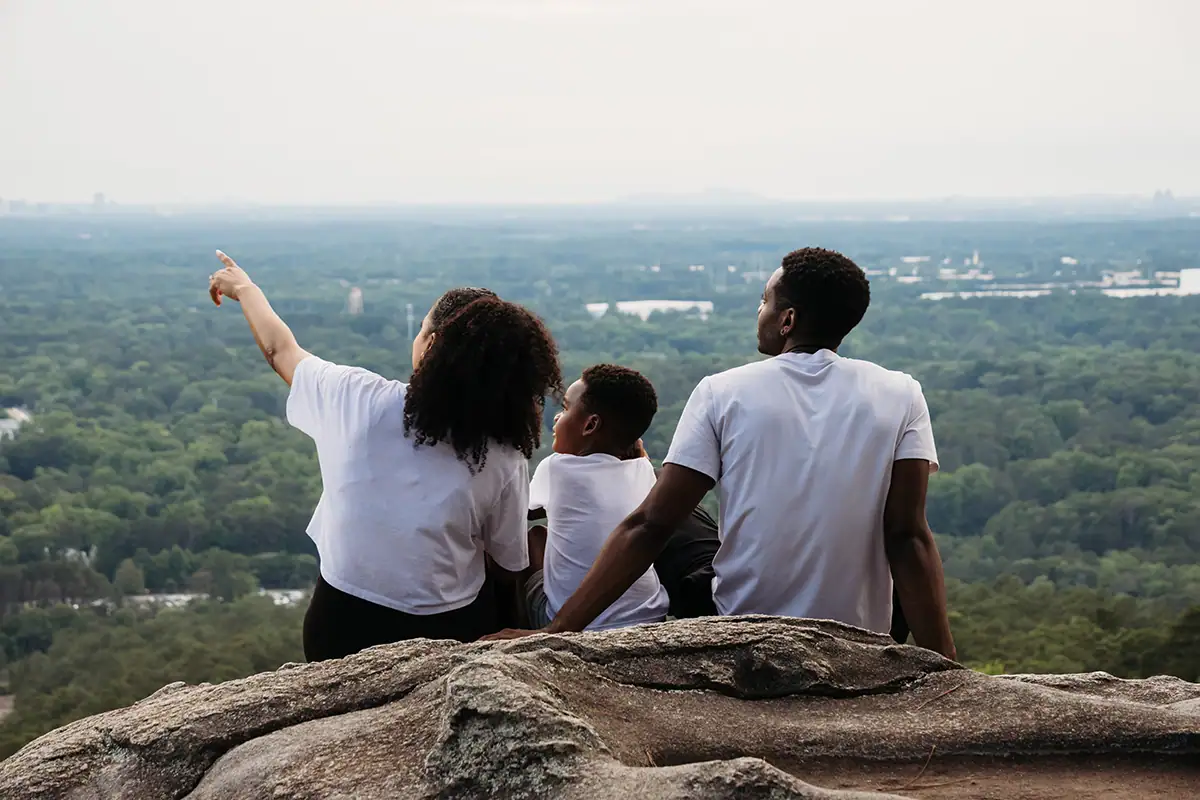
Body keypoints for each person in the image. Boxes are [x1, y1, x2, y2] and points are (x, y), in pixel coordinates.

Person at [485, 247, 956, 660]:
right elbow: (907, 536)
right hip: (860, 636)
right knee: (684, 519)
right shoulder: (902, 394)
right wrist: (948, 669)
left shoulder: (722, 392)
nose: (760, 310)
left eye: (765, 301)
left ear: (788, 320)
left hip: (744, 638)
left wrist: (554, 633)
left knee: (670, 511)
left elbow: (650, 526)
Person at [207, 251, 563, 661]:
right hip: (447, 630)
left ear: (429, 346)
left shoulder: (357, 399)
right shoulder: (504, 453)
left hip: (341, 623)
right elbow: (507, 563)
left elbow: (279, 349)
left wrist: (244, 288)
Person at [524, 364, 670, 631]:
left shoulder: (556, 469)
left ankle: (521, 631)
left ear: (590, 425)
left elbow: (522, 512)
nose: (557, 418)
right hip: (649, 617)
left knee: (534, 538)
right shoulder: (644, 468)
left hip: (579, 626)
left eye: (566, 409)